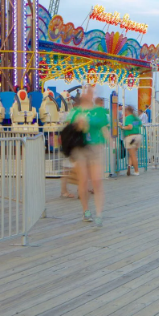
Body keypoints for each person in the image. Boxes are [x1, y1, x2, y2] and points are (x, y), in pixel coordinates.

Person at [67, 89, 109, 225]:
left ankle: (99, 213)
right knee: (83, 180)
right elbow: (69, 130)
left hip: (96, 147)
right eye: (86, 92)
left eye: (90, 92)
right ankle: (86, 210)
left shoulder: (100, 111)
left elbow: (104, 128)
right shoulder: (75, 112)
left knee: (97, 180)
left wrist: (110, 141)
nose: (88, 95)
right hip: (80, 148)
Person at [122, 105, 143, 176]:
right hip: (138, 136)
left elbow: (129, 127)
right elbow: (141, 125)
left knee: (133, 155)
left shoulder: (128, 118)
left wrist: (122, 127)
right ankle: (129, 166)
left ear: (127, 111)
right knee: (132, 153)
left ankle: (136, 171)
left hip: (131, 137)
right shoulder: (136, 118)